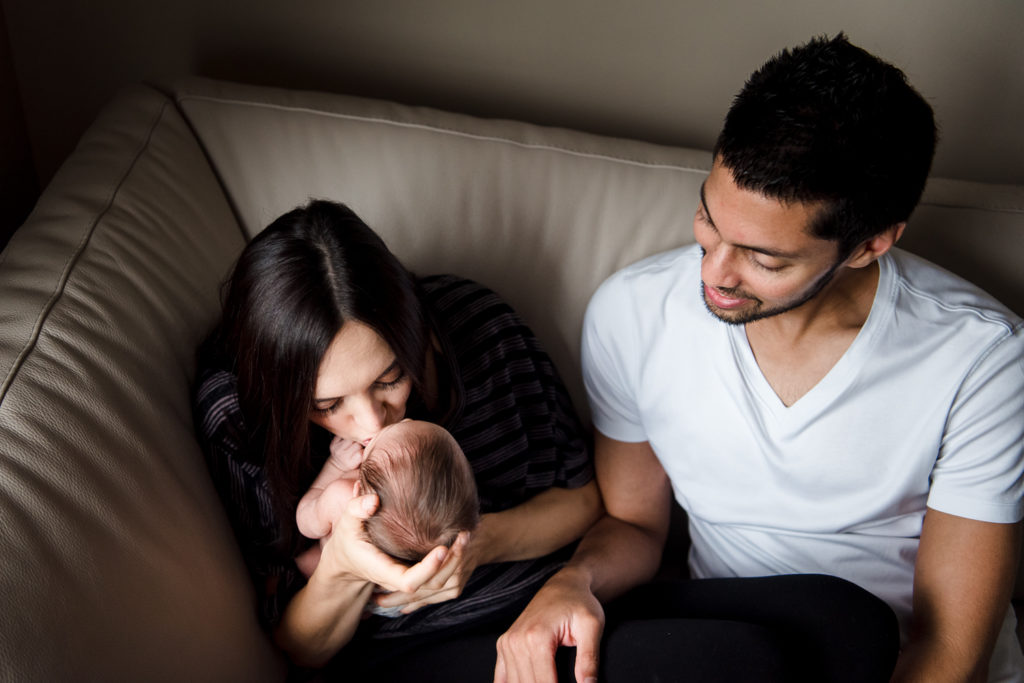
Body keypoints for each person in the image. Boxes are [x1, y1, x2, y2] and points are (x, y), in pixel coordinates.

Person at [495, 33, 1024, 683]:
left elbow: (949, 649)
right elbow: (634, 521)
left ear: (869, 245)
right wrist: (572, 580)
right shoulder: (632, 312)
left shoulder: (983, 359)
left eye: (764, 257)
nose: (714, 271)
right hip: (734, 645)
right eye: (708, 219)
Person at [193, 200, 601, 679]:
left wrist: (482, 544)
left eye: (390, 378)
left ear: (421, 334)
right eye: (327, 406)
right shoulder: (238, 415)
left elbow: (585, 500)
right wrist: (342, 567)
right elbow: (297, 646)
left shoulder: (479, 328)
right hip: (410, 651)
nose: (371, 424)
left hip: (558, 598)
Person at [295, 419, 479, 579]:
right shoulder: (427, 538)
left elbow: (305, 523)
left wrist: (335, 465)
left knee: (305, 559)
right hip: (394, 586)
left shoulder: (342, 493)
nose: (405, 420)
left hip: (342, 579)